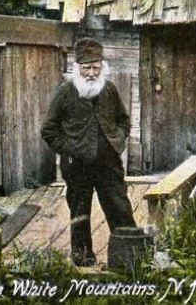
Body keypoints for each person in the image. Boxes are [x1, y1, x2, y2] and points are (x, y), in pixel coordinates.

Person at [40, 37, 137, 266]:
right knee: (80, 211)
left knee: (119, 207)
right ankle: (83, 257)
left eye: (95, 67)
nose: (91, 73)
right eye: (86, 68)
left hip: (108, 163)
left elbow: (124, 121)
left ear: (102, 67)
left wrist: (117, 140)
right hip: (77, 165)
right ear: (77, 68)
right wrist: (69, 149)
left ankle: (129, 256)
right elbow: (49, 130)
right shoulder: (66, 92)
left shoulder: (109, 90)